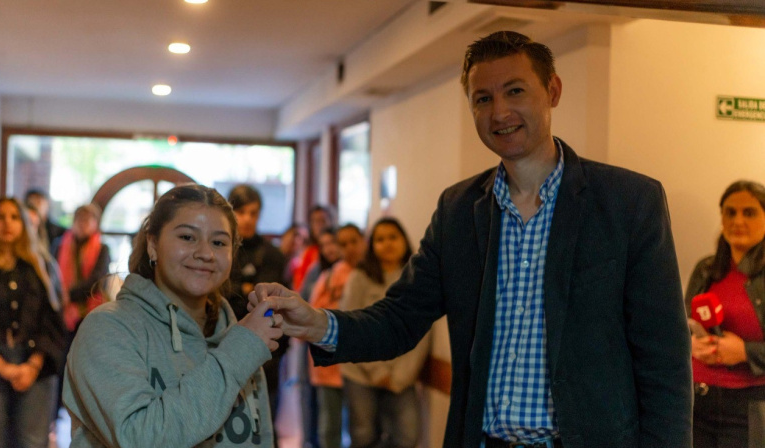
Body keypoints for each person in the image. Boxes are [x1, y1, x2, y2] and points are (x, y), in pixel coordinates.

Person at [250, 30, 692, 447]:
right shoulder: (459, 210)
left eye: (515, 91)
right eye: (483, 98)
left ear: (553, 91)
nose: (499, 112)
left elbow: (665, 364)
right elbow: (400, 317)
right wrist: (318, 323)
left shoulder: (628, 202)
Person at [62, 184, 283, 447]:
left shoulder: (236, 335)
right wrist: (239, 352)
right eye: (187, 237)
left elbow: (258, 438)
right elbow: (139, 439)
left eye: (219, 242)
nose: (205, 253)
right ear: (153, 245)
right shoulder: (108, 328)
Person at [686, 180, 765, 447]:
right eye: (730, 212)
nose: (737, 220)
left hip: (749, 410)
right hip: (697, 402)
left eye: (749, 212)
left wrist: (745, 352)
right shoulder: (705, 269)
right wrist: (692, 344)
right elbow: (681, 325)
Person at [339, 218, 429, 448]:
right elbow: (350, 327)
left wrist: (400, 376)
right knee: (364, 435)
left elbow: (422, 331)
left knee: (408, 435)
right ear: (372, 246)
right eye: (380, 239)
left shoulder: (418, 278)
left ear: (404, 240)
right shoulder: (359, 277)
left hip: (402, 375)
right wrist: (377, 371)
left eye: (393, 237)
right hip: (360, 371)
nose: (387, 243)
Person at [0, 197, 66, 448]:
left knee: (31, 441)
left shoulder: (39, 268)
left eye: (14, 217)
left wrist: (32, 365)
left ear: (24, 224)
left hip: (36, 365)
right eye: (0, 217)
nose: (7, 223)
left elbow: (51, 323)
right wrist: (2, 367)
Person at [226, 184, 288, 438]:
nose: (248, 219)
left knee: (264, 424)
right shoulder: (221, 250)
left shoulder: (272, 254)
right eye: (241, 212)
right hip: (225, 346)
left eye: (253, 213)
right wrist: (244, 289)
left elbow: (267, 303)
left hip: (265, 353)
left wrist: (242, 290)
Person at [308, 225, 364, 448]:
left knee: (361, 427)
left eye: (354, 241)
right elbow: (313, 314)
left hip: (362, 364)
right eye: (343, 243)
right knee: (330, 425)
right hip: (330, 364)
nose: (349, 248)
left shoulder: (370, 274)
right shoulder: (329, 276)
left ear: (363, 241)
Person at [52, 203, 111, 331]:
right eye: (79, 219)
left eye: (87, 220)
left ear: (95, 223)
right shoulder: (60, 245)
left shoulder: (102, 249)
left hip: (91, 310)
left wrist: (70, 295)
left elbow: (97, 280)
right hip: (62, 308)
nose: (83, 224)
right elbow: (52, 275)